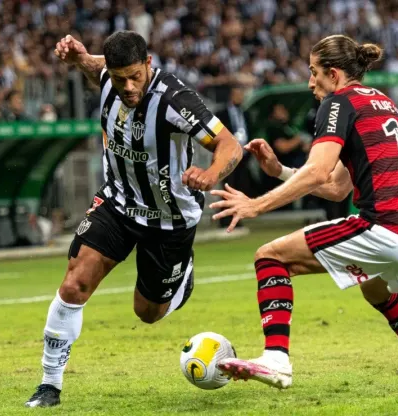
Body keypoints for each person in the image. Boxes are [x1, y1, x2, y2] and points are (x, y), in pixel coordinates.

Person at [209, 35, 398, 395]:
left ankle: (276, 360)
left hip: (387, 225)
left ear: (333, 73)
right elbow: (336, 187)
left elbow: (316, 172)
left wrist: (255, 204)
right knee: (377, 291)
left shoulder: (337, 103)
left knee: (270, 257)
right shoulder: (382, 102)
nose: (310, 82)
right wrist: (280, 170)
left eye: (313, 73)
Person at [25, 31, 242, 408]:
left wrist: (211, 174)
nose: (126, 86)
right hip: (119, 203)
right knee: (75, 283)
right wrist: (78, 57)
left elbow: (229, 145)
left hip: (170, 218)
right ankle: (49, 386)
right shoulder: (110, 77)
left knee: (148, 312)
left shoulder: (175, 100)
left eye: (134, 76)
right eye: (119, 76)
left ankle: (182, 277)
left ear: (148, 65)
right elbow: (97, 68)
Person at [215, 86, 258, 227]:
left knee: (240, 186)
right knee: (227, 186)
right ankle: (225, 219)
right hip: (227, 155)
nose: (241, 97)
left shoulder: (245, 113)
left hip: (243, 155)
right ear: (232, 95)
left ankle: (237, 216)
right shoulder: (222, 113)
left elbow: (249, 130)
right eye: (238, 94)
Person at [261, 103, 311, 199]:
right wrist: (298, 139)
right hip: (282, 170)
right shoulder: (273, 128)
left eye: (284, 109)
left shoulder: (289, 127)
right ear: (273, 114)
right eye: (280, 110)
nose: (284, 112)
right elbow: (282, 147)